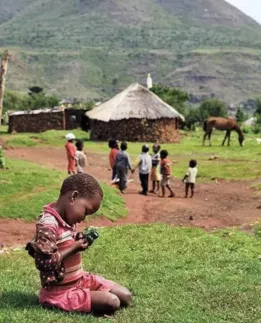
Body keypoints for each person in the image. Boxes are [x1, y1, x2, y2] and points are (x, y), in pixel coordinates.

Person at [25, 173, 132, 315]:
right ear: (73, 197)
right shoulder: (48, 225)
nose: (83, 218)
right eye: (86, 211)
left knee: (126, 296)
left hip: (80, 280)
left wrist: (76, 240)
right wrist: (74, 247)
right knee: (112, 302)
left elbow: (63, 242)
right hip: (60, 292)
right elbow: (44, 262)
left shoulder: (67, 219)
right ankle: (53, 303)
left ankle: (86, 293)